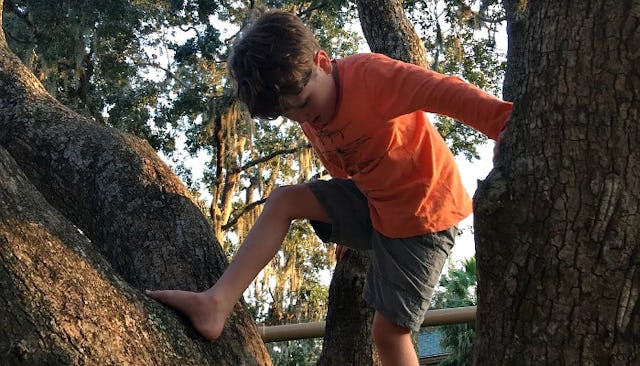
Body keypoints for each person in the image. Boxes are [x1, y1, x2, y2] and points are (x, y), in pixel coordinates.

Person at [146, 8, 512, 365]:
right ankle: (217, 303)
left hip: (424, 215)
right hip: (374, 206)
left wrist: (503, 123)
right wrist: (344, 229)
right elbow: (342, 165)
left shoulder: (372, 77)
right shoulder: (309, 110)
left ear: (322, 61)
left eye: (304, 104)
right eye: (291, 114)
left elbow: (442, 91)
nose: (304, 118)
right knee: (284, 200)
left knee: (387, 333)